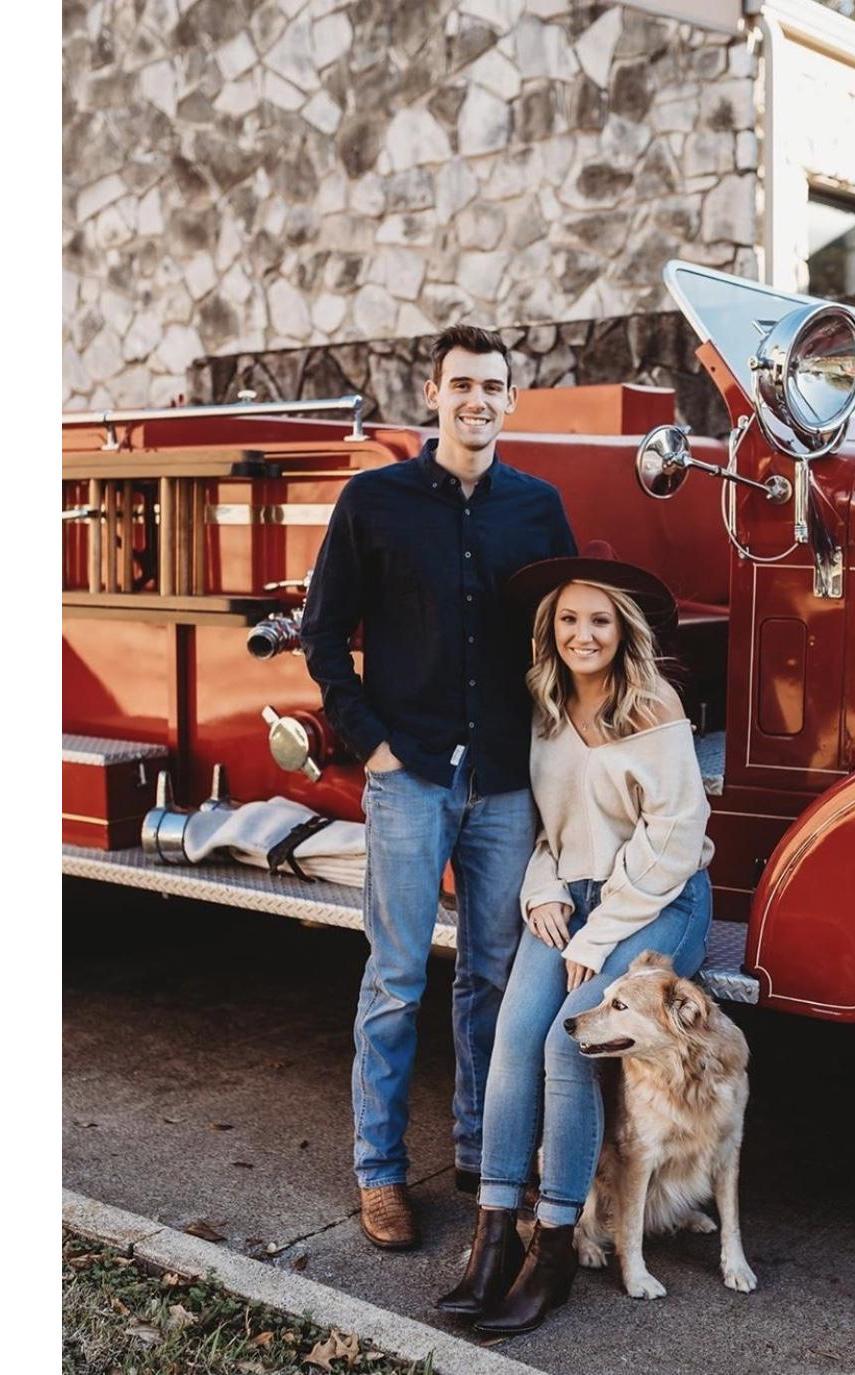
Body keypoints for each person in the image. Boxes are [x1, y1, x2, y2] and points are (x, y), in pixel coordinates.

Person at [300, 325, 576, 1251]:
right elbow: (322, 634)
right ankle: (379, 1172)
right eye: (461, 384)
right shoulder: (373, 501)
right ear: (433, 394)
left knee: (493, 976)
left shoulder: (537, 508)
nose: (476, 400)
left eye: (491, 386)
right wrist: (371, 744)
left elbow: (569, 630)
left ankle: (478, 1152)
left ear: (510, 400)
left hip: (505, 782)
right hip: (409, 777)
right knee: (395, 977)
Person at [436, 545, 714, 1334]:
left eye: (598, 620)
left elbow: (674, 836)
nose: (582, 634)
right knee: (511, 1040)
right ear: (549, 628)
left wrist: (600, 931)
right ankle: (494, 1236)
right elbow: (552, 826)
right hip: (574, 898)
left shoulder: (651, 703)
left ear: (622, 629)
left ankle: (553, 1244)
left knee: (569, 1041)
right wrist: (544, 889)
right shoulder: (547, 704)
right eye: (567, 619)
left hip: (658, 900)